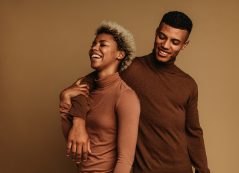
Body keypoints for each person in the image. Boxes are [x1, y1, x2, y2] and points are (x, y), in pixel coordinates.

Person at [61, 11, 210, 173]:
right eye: (162, 36)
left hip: (181, 168)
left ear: (184, 45)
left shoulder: (188, 84)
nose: (165, 45)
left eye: (175, 42)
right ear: (156, 33)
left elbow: (193, 132)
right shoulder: (130, 68)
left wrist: (203, 170)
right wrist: (78, 122)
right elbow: (84, 85)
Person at [59, 21, 140, 173]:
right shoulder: (83, 90)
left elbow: (125, 159)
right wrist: (64, 98)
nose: (94, 48)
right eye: (93, 44)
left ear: (120, 54)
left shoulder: (125, 96)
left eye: (102, 44)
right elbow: (72, 143)